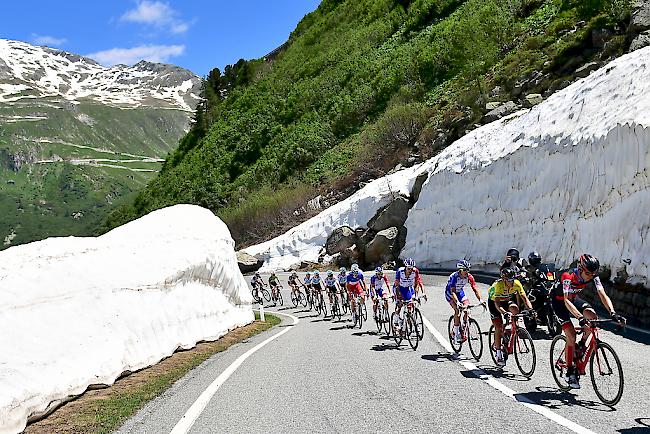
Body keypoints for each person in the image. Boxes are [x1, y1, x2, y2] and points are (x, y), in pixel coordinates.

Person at [551, 254, 625, 389]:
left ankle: (582, 344)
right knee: (571, 335)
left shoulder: (593, 276)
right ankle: (569, 371)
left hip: (573, 298)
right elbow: (566, 300)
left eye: (594, 273)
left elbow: (602, 294)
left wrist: (612, 312)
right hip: (559, 302)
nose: (591, 276)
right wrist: (579, 317)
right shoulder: (568, 276)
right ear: (580, 268)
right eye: (588, 273)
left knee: (592, 315)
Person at [488, 267, 534, 367]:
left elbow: (525, 298)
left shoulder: (517, 283)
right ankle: (499, 352)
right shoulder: (498, 285)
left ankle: (513, 327)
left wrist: (531, 310)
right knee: (498, 327)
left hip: (506, 300)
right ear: (504, 280)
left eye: (513, 279)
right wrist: (504, 313)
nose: (512, 282)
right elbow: (497, 304)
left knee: (515, 309)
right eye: (509, 280)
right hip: (494, 303)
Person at [445, 260, 484, 344]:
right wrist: (458, 303)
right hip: (451, 293)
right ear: (460, 270)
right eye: (465, 270)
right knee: (457, 310)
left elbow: (475, 288)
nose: (467, 272)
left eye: (468, 270)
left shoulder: (469, 277)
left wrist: (481, 300)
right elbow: (453, 291)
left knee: (467, 310)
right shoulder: (454, 277)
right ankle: (456, 333)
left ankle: (464, 327)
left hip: (460, 292)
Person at [392, 258, 422, 330]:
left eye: (411, 269)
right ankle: (395, 321)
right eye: (408, 269)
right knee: (400, 305)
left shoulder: (415, 271)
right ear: (405, 267)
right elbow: (397, 285)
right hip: (399, 288)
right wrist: (399, 297)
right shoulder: (400, 271)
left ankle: (408, 322)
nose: (410, 270)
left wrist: (415, 295)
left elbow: (417, 284)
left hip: (408, 288)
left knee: (410, 306)